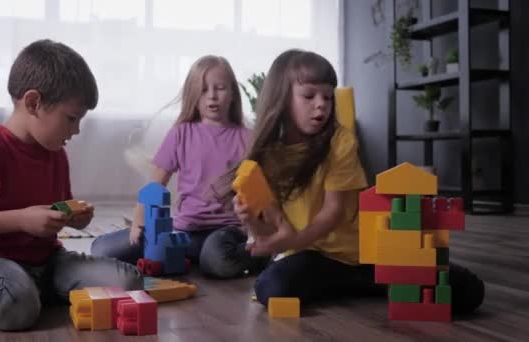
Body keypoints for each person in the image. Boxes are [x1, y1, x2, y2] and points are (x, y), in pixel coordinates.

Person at [229, 49, 484, 315]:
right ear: (280, 99)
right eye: (309, 96)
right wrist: (250, 219)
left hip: (363, 254)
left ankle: (360, 282)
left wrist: (291, 240)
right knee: (270, 288)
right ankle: (354, 283)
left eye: (328, 97)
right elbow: (270, 227)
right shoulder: (268, 155)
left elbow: (333, 211)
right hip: (315, 256)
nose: (321, 104)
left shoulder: (340, 141)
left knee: (468, 290)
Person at [0, 39, 142, 331]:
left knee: (129, 281)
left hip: (48, 260)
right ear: (33, 103)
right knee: (14, 307)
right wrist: (22, 220)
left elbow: (57, 207)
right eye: (72, 118)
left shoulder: (55, 154)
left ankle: (35, 292)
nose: (76, 130)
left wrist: (74, 219)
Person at [91, 55, 266, 278]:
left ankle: (259, 255)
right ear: (193, 95)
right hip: (184, 231)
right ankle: (192, 257)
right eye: (203, 89)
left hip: (226, 233)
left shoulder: (247, 138)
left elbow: (258, 196)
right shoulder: (180, 133)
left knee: (217, 261)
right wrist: (139, 222)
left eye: (220, 88)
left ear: (232, 93)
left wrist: (257, 233)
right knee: (102, 250)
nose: (211, 95)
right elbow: (155, 186)